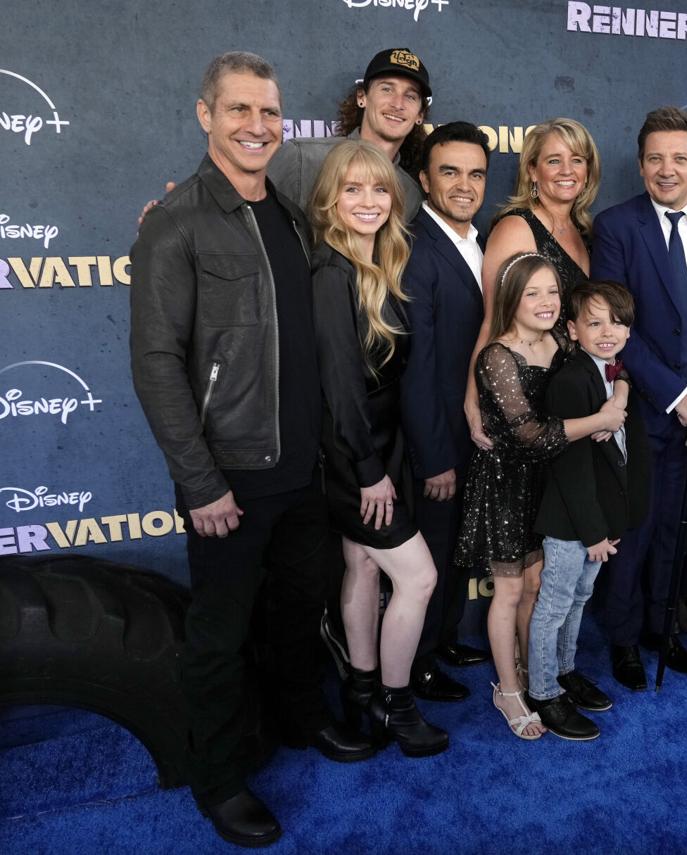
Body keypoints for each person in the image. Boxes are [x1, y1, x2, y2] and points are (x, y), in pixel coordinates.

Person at [129, 52, 372, 848]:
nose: (257, 126)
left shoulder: (293, 213)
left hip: (301, 468)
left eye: (269, 112)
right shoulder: (176, 221)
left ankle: (303, 722)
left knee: (300, 610)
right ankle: (220, 777)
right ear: (206, 116)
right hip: (227, 476)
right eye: (239, 111)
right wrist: (199, 483)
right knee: (221, 635)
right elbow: (156, 361)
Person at [591, 106, 687, 690]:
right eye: (656, 158)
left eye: (679, 158)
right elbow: (613, 330)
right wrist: (677, 396)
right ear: (640, 164)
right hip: (645, 403)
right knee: (636, 527)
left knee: (676, 530)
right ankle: (624, 639)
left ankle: (664, 627)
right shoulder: (615, 227)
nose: (667, 169)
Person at [308, 140, 447, 757]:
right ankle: (397, 703)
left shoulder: (380, 264)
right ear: (331, 200)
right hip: (354, 455)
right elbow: (339, 387)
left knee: (363, 566)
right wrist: (367, 472)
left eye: (379, 189)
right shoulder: (331, 273)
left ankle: (361, 691)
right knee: (418, 578)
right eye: (353, 189)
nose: (368, 201)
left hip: (380, 449)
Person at [454, 253, 625, 738]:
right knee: (509, 591)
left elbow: (611, 367)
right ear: (512, 299)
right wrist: (600, 420)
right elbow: (529, 433)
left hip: (549, 481)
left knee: (538, 587)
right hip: (508, 482)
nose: (546, 302)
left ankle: (538, 675)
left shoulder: (560, 342)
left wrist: (621, 399)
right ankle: (508, 690)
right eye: (533, 293)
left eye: (553, 292)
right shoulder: (497, 356)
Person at [530, 280, 650, 738]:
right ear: (572, 329)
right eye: (594, 322)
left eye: (616, 323)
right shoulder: (569, 380)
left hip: (597, 519)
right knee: (555, 605)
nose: (607, 331)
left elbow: (623, 375)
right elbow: (570, 468)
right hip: (571, 522)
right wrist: (593, 532)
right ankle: (543, 693)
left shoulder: (611, 370)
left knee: (580, 598)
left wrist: (619, 391)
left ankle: (564, 671)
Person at [399, 122, 491, 703]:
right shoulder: (415, 248)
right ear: (423, 178)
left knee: (459, 543)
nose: (464, 185)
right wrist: (434, 457)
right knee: (433, 551)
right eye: (449, 172)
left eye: (475, 173)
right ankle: (418, 664)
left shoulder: (477, 241)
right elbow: (416, 366)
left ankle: (448, 635)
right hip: (438, 439)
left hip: (476, 431)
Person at [465, 118, 610, 450]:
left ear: (588, 170)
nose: (567, 170)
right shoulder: (518, 227)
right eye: (553, 160)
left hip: (572, 395)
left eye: (577, 160)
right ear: (532, 170)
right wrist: (472, 402)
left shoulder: (585, 232)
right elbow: (492, 321)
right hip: (527, 401)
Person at [269, 48, 431, 220]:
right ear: (362, 97)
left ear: (420, 115)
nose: (398, 104)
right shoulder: (302, 159)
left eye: (411, 96)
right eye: (387, 89)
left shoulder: (411, 194)